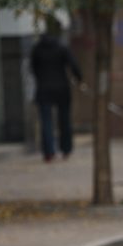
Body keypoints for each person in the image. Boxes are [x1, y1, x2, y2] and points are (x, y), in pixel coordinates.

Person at [30, 18, 82, 162]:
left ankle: (49, 152)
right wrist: (79, 79)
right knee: (64, 120)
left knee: (46, 121)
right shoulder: (61, 47)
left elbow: (33, 68)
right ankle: (66, 149)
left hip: (43, 88)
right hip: (61, 88)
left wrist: (41, 79)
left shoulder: (37, 49)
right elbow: (73, 65)